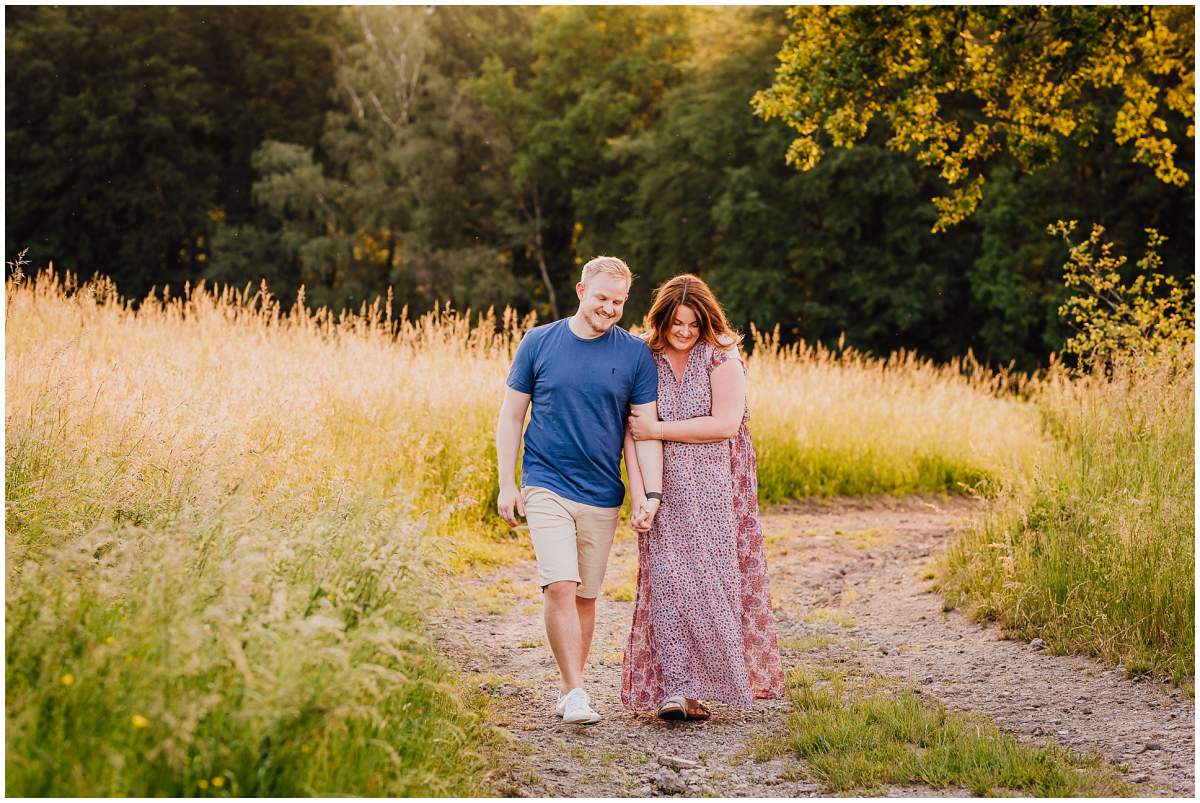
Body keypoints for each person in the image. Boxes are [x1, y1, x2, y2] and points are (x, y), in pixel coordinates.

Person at [496, 256, 664, 725]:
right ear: (580, 291)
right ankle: (574, 691)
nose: (609, 308)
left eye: (618, 301)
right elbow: (511, 416)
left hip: (602, 493)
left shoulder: (634, 355)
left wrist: (651, 494)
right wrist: (508, 484)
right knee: (561, 585)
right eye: (601, 298)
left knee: (586, 596)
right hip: (545, 482)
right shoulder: (539, 342)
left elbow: (644, 430)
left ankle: (574, 684)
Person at [620, 273, 786, 720]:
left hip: (716, 485)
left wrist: (660, 430)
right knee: (668, 581)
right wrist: (640, 495)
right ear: (662, 320)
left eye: (693, 324)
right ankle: (675, 688)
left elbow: (726, 424)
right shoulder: (645, 358)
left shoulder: (721, 358)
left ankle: (705, 684)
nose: (684, 332)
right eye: (677, 322)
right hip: (663, 484)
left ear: (706, 321)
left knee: (711, 585)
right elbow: (632, 434)